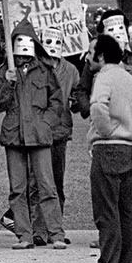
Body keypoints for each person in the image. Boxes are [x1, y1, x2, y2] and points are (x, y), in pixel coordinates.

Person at [72, 9, 132, 246]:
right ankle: (126, 251)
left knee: (114, 195)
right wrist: (91, 112)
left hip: (114, 138)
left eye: (120, 28)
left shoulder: (131, 63)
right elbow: (85, 93)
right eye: (110, 29)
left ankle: (113, 251)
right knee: (120, 195)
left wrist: (105, 130)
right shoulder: (103, 71)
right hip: (123, 134)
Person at [79, 34, 132, 263]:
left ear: (100, 56)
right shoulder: (128, 77)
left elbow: (97, 107)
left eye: (90, 53)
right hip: (130, 148)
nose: (87, 58)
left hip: (108, 149)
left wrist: (106, 132)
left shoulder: (104, 76)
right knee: (126, 208)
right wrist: (131, 130)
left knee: (106, 209)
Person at [0, 19, 67, 250]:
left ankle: (55, 234)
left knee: (47, 186)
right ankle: (24, 235)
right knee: (18, 188)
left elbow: (57, 101)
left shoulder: (45, 70)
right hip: (14, 135)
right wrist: (7, 84)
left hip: (39, 135)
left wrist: (45, 123)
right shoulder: (4, 71)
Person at [31, 27, 79, 245]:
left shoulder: (71, 71)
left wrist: (78, 101)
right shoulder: (36, 67)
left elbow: (77, 96)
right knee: (37, 181)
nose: (52, 46)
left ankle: (55, 229)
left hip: (60, 131)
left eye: (56, 42)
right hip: (39, 132)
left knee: (56, 182)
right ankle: (39, 230)